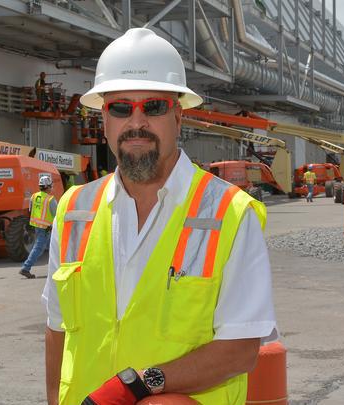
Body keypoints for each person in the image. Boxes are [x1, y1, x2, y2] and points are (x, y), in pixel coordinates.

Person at [42, 28, 277, 405]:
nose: (136, 122)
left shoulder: (229, 213)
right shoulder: (74, 209)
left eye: (153, 106)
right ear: (104, 119)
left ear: (178, 116)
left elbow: (241, 349)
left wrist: (135, 385)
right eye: (121, 107)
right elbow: (57, 329)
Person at [19, 174, 58, 279]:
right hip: (47, 228)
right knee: (39, 248)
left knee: (52, 247)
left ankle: (57, 268)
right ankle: (25, 268)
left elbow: (30, 211)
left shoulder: (33, 196)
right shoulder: (50, 199)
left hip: (37, 226)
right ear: (49, 186)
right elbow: (57, 214)